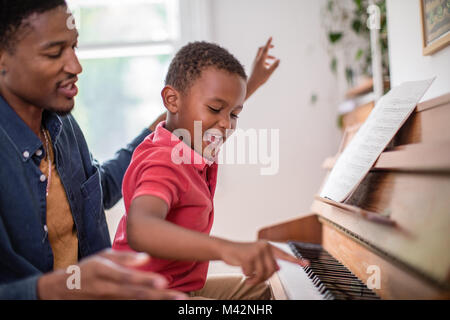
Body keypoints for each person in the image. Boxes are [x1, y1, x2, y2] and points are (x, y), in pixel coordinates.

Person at [0, 0, 280, 299]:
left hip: (120, 291)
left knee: (263, 294)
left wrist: (241, 91)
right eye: (55, 52)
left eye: (74, 47)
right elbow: (143, 225)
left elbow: (105, 186)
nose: (76, 66)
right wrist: (66, 286)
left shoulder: (62, 127)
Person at [112, 42, 309, 300]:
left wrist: (254, 83)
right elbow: (141, 228)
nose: (226, 123)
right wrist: (229, 249)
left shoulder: (191, 147)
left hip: (176, 287)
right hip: (140, 294)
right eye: (216, 110)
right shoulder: (162, 161)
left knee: (267, 292)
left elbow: (213, 103)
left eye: (235, 114)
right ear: (172, 100)